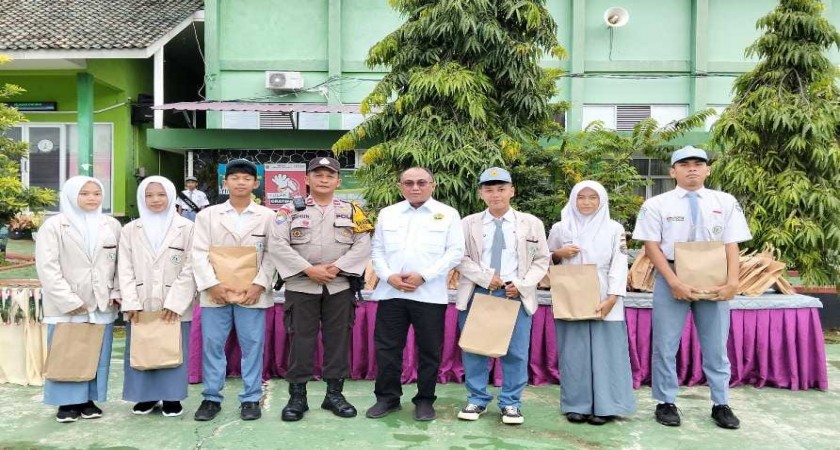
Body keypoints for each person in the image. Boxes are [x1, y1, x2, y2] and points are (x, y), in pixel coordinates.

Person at [632, 146, 751, 430]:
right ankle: (665, 402)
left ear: (708, 169)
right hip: (671, 274)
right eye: (684, 164)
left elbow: (731, 243)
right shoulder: (656, 204)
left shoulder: (725, 201)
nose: (692, 169)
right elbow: (651, 246)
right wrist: (673, 282)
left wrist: (733, 281)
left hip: (714, 275)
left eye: (698, 163)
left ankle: (721, 403)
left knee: (716, 345)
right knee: (665, 344)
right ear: (672, 171)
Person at [269, 157, 372, 422]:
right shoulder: (289, 210)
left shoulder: (353, 211)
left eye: (330, 175)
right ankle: (298, 397)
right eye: (318, 174)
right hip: (301, 285)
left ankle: (334, 395)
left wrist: (336, 268)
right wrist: (308, 269)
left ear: (338, 181)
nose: (324, 179)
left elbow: (363, 244)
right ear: (307, 179)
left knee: (338, 340)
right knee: (301, 340)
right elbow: (277, 244)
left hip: (339, 285)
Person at [365, 167, 465, 421]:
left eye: (421, 182)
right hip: (391, 293)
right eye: (408, 183)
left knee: (429, 351)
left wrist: (424, 275)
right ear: (401, 187)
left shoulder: (448, 214)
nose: (415, 187)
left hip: (429, 295)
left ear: (433, 185)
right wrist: (389, 276)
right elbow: (377, 250)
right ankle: (387, 398)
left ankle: (425, 400)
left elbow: (455, 252)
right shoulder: (388, 214)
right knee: (387, 349)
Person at [455, 167, 549, 425]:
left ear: (512, 191)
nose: (495, 195)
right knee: (475, 349)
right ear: (480, 194)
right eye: (489, 190)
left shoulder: (531, 223)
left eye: (501, 189)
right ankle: (477, 399)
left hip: (514, 293)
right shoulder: (467, 223)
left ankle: (511, 403)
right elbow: (459, 257)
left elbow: (541, 260)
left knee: (515, 352)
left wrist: (522, 285)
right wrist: (486, 277)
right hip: (479, 291)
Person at [191, 159, 275, 422]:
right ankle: (211, 397)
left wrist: (259, 284)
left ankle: (251, 398)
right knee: (213, 345)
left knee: (252, 346)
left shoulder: (268, 217)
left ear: (256, 183)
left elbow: (273, 254)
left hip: (252, 293)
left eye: (246, 178)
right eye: (235, 178)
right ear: (225, 182)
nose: (240, 182)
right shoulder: (207, 215)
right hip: (216, 292)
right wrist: (212, 285)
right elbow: (198, 252)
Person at [548, 180, 636, 426]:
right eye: (581, 197)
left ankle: (608, 406)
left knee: (607, 351)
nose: (586, 202)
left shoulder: (614, 228)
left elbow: (619, 263)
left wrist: (613, 298)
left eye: (593, 197)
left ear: (602, 200)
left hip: (604, 293)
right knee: (574, 351)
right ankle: (576, 405)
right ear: (573, 199)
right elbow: (543, 257)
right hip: (571, 295)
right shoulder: (561, 227)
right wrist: (558, 254)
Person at [35, 175, 122, 423]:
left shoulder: (111, 225)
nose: (92, 198)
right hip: (67, 304)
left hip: (101, 300)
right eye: (84, 193)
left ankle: (88, 400)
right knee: (67, 350)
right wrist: (69, 300)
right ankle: (66, 403)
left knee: (97, 352)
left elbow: (120, 264)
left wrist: (116, 291)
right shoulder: (54, 226)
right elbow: (47, 267)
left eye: (96, 193)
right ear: (72, 195)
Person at [118, 176, 196, 417]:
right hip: (140, 300)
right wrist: (130, 301)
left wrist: (176, 301)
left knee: (173, 347)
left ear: (171, 196)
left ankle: (172, 397)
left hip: (175, 301)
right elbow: (124, 267)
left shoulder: (187, 228)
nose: (155, 200)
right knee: (143, 345)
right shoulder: (130, 230)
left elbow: (191, 266)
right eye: (149, 195)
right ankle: (146, 397)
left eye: (161, 194)